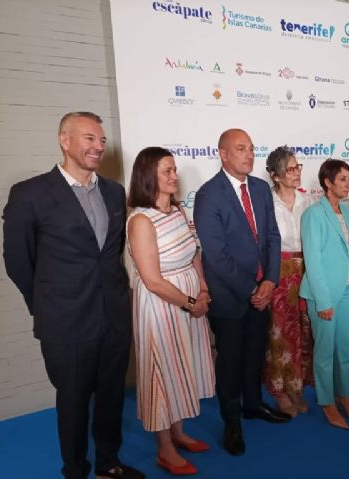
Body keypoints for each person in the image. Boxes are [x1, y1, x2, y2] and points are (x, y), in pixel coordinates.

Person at [2, 112, 144, 479]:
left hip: (113, 316)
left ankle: (108, 463)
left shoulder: (114, 191)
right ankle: (76, 470)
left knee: (112, 395)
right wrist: (46, 306)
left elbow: (111, 255)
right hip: (65, 322)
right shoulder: (30, 194)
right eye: (89, 138)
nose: (98, 146)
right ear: (64, 141)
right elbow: (17, 261)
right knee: (74, 400)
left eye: (101, 140)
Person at [193, 129, 289, 457]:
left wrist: (270, 281)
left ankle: (253, 404)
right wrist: (252, 289)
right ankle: (231, 421)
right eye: (240, 149)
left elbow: (273, 236)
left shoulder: (260, 189)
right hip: (230, 297)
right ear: (223, 154)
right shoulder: (209, 195)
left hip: (262, 292)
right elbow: (216, 255)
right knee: (231, 361)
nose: (249, 155)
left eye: (251, 148)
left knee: (255, 353)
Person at [127, 147, 215, 476]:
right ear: (148, 176)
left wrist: (202, 289)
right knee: (163, 373)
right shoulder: (140, 220)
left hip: (189, 298)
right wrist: (191, 304)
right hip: (161, 305)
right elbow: (152, 280)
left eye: (174, 169)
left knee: (183, 367)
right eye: (167, 170)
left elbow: (194, 254)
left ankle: (178, 434)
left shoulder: (178, 210)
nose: (174, 176)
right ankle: (164, 449)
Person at [300, 159, 349, 429]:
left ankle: (344, 397)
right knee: (325, 353)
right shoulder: (313, 215)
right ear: (328, 182)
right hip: (323, 295)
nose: (348, 184)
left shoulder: (348, 212)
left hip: (347, 292)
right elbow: (313, 261)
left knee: (344, 351)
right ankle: (327, 402)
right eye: (342, 179)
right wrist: (323, 302)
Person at [263, 147, 314, 417]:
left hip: (305, 270)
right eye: (290, 169)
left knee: (303, 332)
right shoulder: (267, 204)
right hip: (278, 273)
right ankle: (279, 391)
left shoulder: (309, 202)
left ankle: (297, 386)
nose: (296, 173)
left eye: (298, 167)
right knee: (279, 332)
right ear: (276, 175)